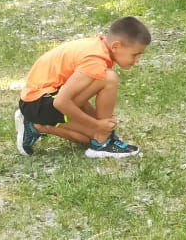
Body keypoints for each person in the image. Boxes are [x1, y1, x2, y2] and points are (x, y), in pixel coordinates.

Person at [15, 16, 151, 158]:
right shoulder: (95, 60)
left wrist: (98, 126)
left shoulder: (98, 47)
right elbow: (61, 102)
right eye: (135, 55)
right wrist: (96, 125)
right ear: (116, 46)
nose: (137, 60)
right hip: (39, 102)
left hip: (38, 101)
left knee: (90, 138)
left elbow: (76, 93)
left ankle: (36, 125)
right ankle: (103, 142)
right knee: (109, 78)